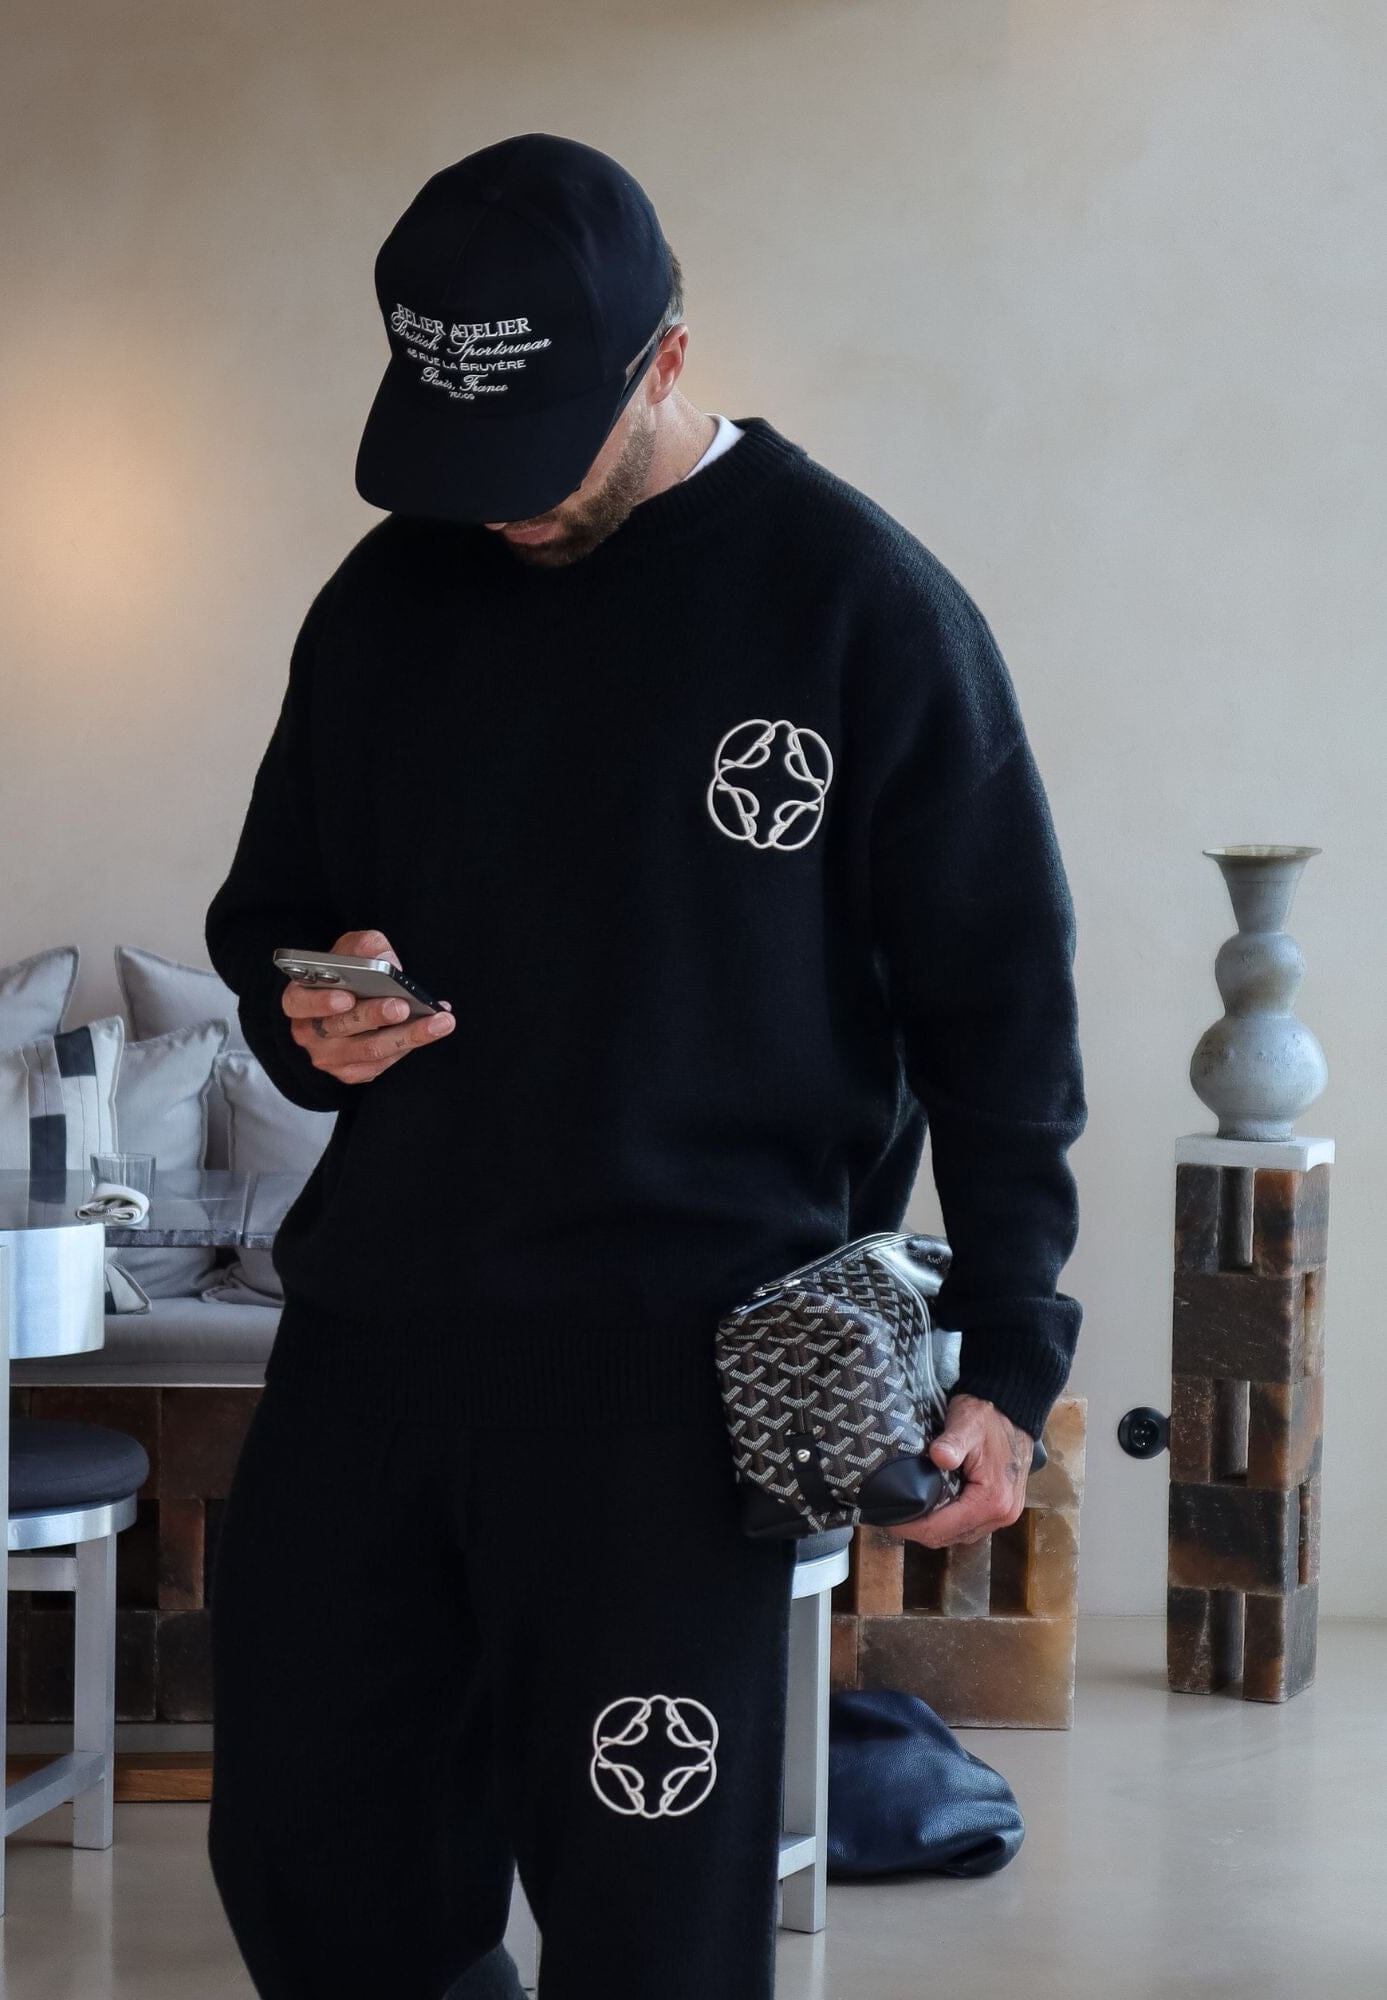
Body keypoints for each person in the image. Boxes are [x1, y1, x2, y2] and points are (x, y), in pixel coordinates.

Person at [201, 130, 1087, 2000]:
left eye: (541, 450)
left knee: (651, 1937)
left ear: (666, 356)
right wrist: (316, 1011)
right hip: (373, 1346)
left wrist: (1010, 1359)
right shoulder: (386, 598)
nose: (499, 508)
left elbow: (1000, 1007)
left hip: (671, 1389)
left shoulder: (858, 605)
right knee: (309, 1865)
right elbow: (270, 912)